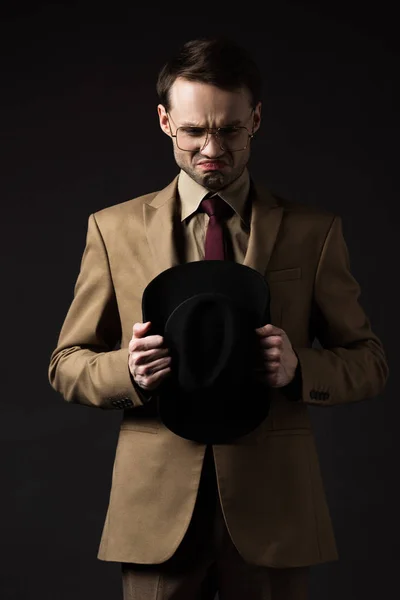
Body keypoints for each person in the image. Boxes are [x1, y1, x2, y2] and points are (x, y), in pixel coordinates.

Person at [48, 37, 389, 600]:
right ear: (164, 122)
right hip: (155, 517)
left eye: (229, 130)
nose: (212, 148)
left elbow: (370, 362)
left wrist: (298, 368)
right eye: (193, 131)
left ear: (255, 120)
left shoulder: (314, 231)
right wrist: (127, 372)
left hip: (274, 514)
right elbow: (66, 365)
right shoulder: (113, 229)